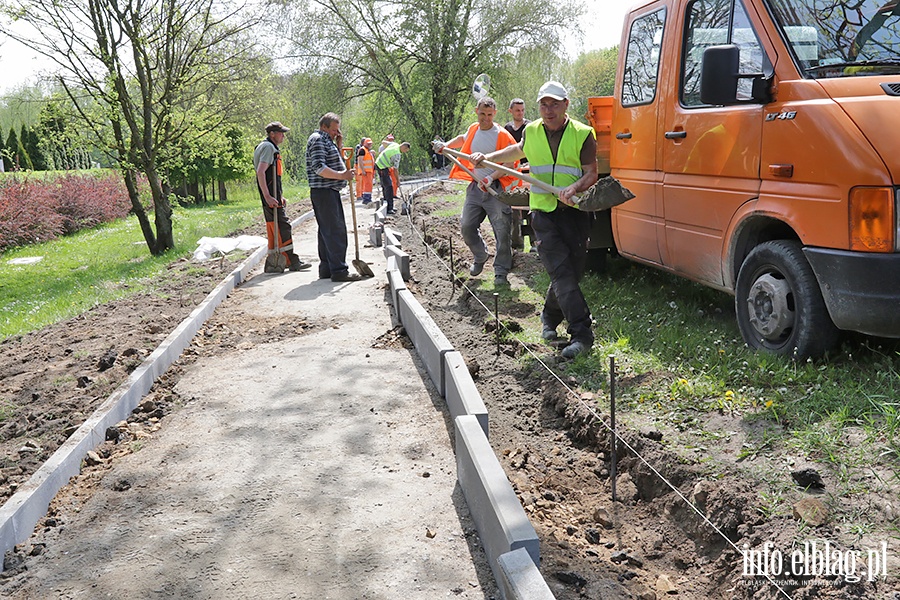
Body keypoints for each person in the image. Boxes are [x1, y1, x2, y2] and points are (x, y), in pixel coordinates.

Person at [470, 81, 599, 359]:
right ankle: (582, 333)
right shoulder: (532, 131)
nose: (548, 110)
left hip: (575, 213)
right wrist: (487, 158)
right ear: (538, 106)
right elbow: (516, 151)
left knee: (571, 274)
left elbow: (591, 173)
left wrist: (575, 188)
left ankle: (549, 316)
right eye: (543, 104)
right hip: (543, 214)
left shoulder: (583, 134)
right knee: (561, 273)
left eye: (554, 104)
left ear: (566, 105)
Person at [434, 96, 519, 286]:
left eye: (489, 115)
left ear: (495, 114)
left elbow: (509, 163)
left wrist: (491, 177)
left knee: (502, 230)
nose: (485, 118)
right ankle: (480, 255)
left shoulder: (502, 135)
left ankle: (501, 271)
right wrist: (445, 146)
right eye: (482, 114)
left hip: (496, 188)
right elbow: (462, 139)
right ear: (476, 112)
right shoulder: (473, 129)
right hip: (475, 186)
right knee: (466, 226)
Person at [305, 112, 366, 282]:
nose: (336, 133)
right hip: (324, 191)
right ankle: (339, 271)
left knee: (326, 230)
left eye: (337, 130)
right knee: (335, 231)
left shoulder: (327, 141)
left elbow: (333, 161)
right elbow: (319, 167)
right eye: (334, 130)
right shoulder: (318, 139)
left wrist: (339, 145)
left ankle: (327, 269)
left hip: (329, 191)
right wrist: (342, 176)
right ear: (324, 126)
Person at [253, 122, 310, 273]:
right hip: (270, 197)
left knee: (274, 226)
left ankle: (278, 260)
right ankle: (292, 261)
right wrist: (268, 196)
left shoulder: (265, 146)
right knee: (284, 227)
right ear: (272, 134)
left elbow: (272, 177)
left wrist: (279, 195)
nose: (283, 136)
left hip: (273, 196)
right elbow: (261, 172)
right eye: (281, 133)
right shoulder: (268, 148)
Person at [374, 139, 411, 215]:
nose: (405, 152)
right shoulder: (397, 154)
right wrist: (398, 181)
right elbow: (395, 170)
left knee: (385, 185)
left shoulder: (394, 144)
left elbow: (384, 142)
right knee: (389, 186)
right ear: (404, 148)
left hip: (380, 164)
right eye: (406, 151)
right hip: (382, 166)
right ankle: (389, 208)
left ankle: (386, 203)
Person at [356, 138, 376, 205]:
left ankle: (368, 198)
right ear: (364, 143)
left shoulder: (368, 151)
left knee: (369, 185)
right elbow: (360, 160)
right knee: (367, 185)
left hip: (369, 171)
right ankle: (366, 199)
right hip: (366, 171)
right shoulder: (362, 150)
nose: (369, 145)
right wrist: (363, 170)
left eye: (370, 143)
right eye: (368, 143)